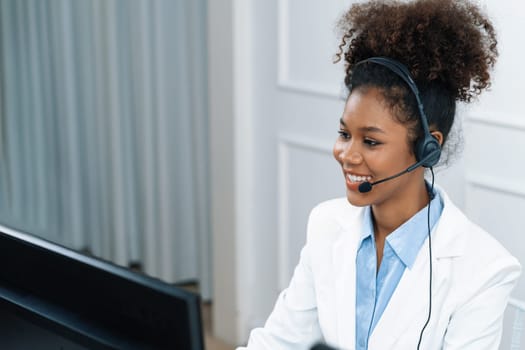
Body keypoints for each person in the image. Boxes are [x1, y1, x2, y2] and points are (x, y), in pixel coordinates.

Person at [237, 0, 521, 349]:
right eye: (344, 134)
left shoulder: (484, 270)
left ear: (427, 148)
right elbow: (278, 341)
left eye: (370, 141)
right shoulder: (326, 225)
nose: (346, 154)